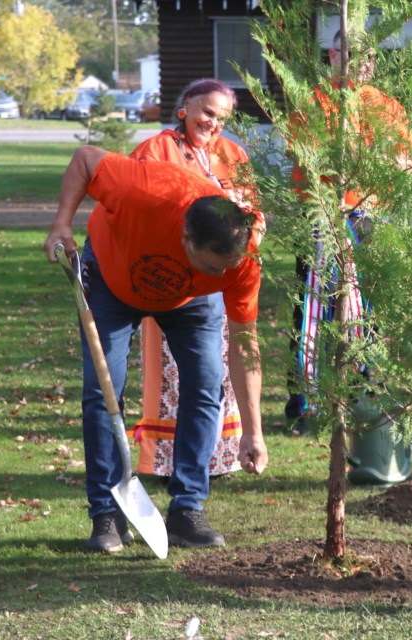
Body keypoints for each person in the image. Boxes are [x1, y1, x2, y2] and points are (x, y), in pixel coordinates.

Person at [42, 145, 269, 553]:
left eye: (225, 269)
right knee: (101, 391)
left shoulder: (241, 262)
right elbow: (84, 159)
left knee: (205, 386)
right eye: (211, 267)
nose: (219, 276)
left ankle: (187, 509)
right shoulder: (143, 190)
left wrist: (253, 429)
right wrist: (61, 224)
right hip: (111, 280)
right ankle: (106, 514)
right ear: (184, 236)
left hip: (191, 307)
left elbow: (244, 344)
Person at [128, 79, 265, 480]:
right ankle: (168, 461)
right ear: (185, 108)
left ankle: (218, 457)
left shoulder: (232, 153)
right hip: (174, 279)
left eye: (222, 118)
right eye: (207, 112)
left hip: (226, 275)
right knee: (173, 372)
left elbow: (253, 208)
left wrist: (249, 237)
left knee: (219, 371)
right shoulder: (157, 150)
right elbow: (143, 209)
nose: (213, 123)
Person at [285, 31, 412, 433]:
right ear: (333, 55)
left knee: (370, 308)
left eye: (369, 56)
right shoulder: (315, 102)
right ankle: (305, 402)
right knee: (314, 308)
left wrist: (392, 162)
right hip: (325, 216)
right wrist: (373, 157)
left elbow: (409, 160)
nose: (362, 63)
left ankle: (366, 392)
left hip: (374, 217)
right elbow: (311, 156)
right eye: (352, 55)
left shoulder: (387, 106)